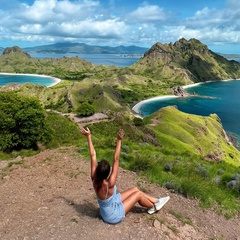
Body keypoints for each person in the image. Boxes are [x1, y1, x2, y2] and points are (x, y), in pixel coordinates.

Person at [80, 127, 170, 224]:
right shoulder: (109, 183)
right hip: (113, 215)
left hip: (108, 206)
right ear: (107, 173)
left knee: (135, 189)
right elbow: (116, 159)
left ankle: (157, 201)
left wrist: (88, 136)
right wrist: (119, 140)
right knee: (138, 194)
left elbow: (93, 155)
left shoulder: (94, 178)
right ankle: (155, 205)